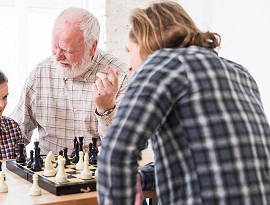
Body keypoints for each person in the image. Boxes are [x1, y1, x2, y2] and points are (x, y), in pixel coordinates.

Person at [97, 1, 270, 205]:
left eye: (129, 50)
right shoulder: (240, 73)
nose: (130, 67)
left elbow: (115, 156)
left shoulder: (162, 64)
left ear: (146, 42)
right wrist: (141, 177)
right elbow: (204, 163)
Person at [10, 7, 131, 154]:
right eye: (55, 47)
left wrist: (106, 109)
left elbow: (121, 149)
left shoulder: (121, 77)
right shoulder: (41, 73)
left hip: (95, 172)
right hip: (47, 171)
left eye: (67, 50)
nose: (57, 57)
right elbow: (17, 132)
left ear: (92, 47)